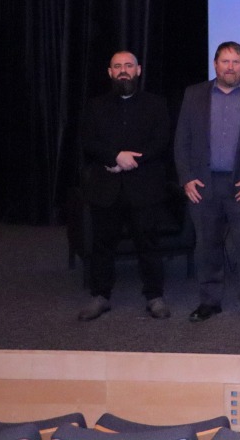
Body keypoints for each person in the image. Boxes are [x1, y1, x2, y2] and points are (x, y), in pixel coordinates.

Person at [174, 41, 240, 323]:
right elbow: (181, 140)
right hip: (203, 186)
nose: (230, 67)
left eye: (236, 62)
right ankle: (209, 301)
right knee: (206, 247)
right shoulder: (194, 95)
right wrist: (186, 178)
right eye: (225, 61)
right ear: (215, 64)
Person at [77, 51, 173, 320]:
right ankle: (100, 296)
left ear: (138, 70)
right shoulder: (95, 105)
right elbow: (88, 141)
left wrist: (130, 161)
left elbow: (161, 141)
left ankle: (154, 296)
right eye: (117, 66)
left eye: (128, 66)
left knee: (148, 244)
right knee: (102, 245)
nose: (123, 71)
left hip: (144, 187)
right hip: (106, 188)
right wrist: (115, 157)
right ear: (110, 72)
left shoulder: (156, 104)